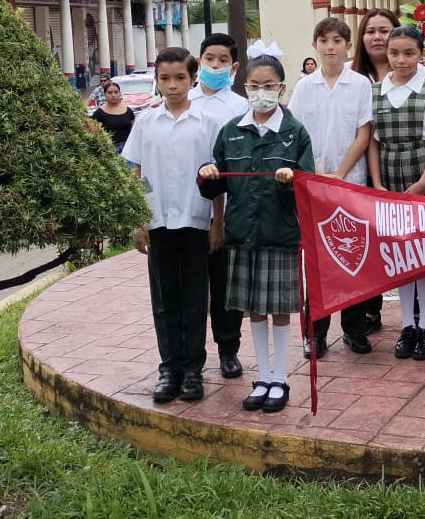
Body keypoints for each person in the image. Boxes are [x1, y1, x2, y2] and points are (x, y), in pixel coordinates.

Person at [198, 53, 314, 413]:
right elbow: (212, 185)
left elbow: (307, 186)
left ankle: (280, 379)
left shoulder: (294, 132)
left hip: (279, 234)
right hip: (242, 233)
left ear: (281, 88)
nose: (260, 92)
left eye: (268, 86)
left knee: (279, 311)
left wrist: (289, 181)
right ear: (244, 87)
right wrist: (207, 173)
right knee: (255, 312)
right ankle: (262, 376)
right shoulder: (232, 130)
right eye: (254, 85)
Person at [123, 48, 221, 404]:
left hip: (196, 220)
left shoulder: (208, 122)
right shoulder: (147, 122)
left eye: (180, 77)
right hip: (159, 220)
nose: (173, 85)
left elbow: (217, 179)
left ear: (193, 78)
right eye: (165, 78)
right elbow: (137, 172)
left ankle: (194, 369)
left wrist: (217, 223)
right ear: (157, 80)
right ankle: (170, 368)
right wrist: (138, 220)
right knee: (165, 298)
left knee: (196, 297)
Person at [288, 18, 374, 358]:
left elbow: (363, 134)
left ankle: (354, 330)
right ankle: (316, 333)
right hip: (315, 185)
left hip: (351, 183)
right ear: (315, 45)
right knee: (319, 262)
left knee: (352, 257)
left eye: (338, 40)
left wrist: (340, 173)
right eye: (324, 40)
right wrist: (321, 173)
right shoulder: (304, 87)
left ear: (348, 46)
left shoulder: (361, 84)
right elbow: (298, 136)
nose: (331, 47)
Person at [367, 25, 425, 361]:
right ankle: (407, 326)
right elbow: (371, 140)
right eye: (395, 52)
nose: (401, 59)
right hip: (387, 170)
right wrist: (377, 183)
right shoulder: (374, 90)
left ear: (421, 54)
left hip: (418, 168)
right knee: (399, 253)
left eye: (409, 53)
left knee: (422, 251)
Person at [187, 33, 249, 379]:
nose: (214, 65)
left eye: (222, 60)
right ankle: (192, 357)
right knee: (193, 289)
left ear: (234, 67)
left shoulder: (240, 107)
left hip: (228, 212)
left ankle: (229, 350)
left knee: (226, 288)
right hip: (187, 213)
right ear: (198, 62)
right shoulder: (184, 101)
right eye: (208, 59)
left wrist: (219, 219)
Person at [351, 8, 400, 331]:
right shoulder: (353, 78)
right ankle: (368, 309)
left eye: (385, 30)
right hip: (359, 172)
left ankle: (414, 313)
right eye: (371, 31)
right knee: (365, 244)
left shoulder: (410, 73)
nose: (378, 37)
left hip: (400, 169)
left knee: (398, 241)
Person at [91, 81, 135, 153]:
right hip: (110, 151)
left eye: (116, 92)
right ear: (105, 94)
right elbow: (94, 134)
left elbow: (133, 131)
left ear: (120, 93)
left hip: (128, 149)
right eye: (110, 92)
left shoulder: (128, 111)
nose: (113, 95)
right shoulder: (99, 114)